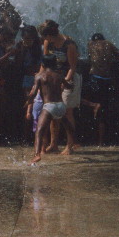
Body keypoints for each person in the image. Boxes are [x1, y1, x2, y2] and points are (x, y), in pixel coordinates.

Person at [38, 20, 81, 153]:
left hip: (70, 80)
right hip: (54, 80)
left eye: (44, 36)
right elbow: (45, 63)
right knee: (52, 111)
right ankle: (53, 144)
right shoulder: (47, 43)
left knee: (67, 112)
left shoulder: (69, 45)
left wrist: (64, 82)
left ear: (50, 35)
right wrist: (40, 77)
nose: (44, 39)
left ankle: (69, 146)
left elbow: (72, 68)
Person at [26, 55, 77, 165]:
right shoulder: (58, 75)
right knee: (68, 126)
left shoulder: (39, 76)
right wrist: (69, 86)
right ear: (54, 64)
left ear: (42, 64)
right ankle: (73, 143)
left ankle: (37, 155)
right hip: (61, 105)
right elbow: (68, 86)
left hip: (49, 107)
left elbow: (34, 93)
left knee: (39, 131)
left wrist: (28, 101)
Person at [84, 33, 119, 146]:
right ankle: (101, 142)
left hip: (94, 78)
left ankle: (90, 136)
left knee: (84, 102)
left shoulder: (90, 44)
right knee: (103, 110)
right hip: (106, 79)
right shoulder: (108, 44)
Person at [15, 25, 43, 141]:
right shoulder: (21, 46)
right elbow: (18, 65)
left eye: (29, 39)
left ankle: (36, 136)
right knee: (28, 106)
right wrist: (21, 50)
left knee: (38, 108)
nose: (27, 41)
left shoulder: (40, 47)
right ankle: (26, 136)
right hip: (27, 79)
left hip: (38, 79)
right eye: (25, 39)